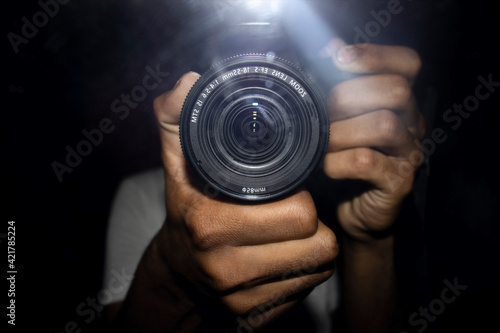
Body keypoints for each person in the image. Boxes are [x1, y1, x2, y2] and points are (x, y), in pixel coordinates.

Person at [103, 38, 425, 332]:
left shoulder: (338, 189)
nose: (259, 75)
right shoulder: (143, 195)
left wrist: (369, 241)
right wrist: (173, 271)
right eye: (233, 63)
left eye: (280, 60)